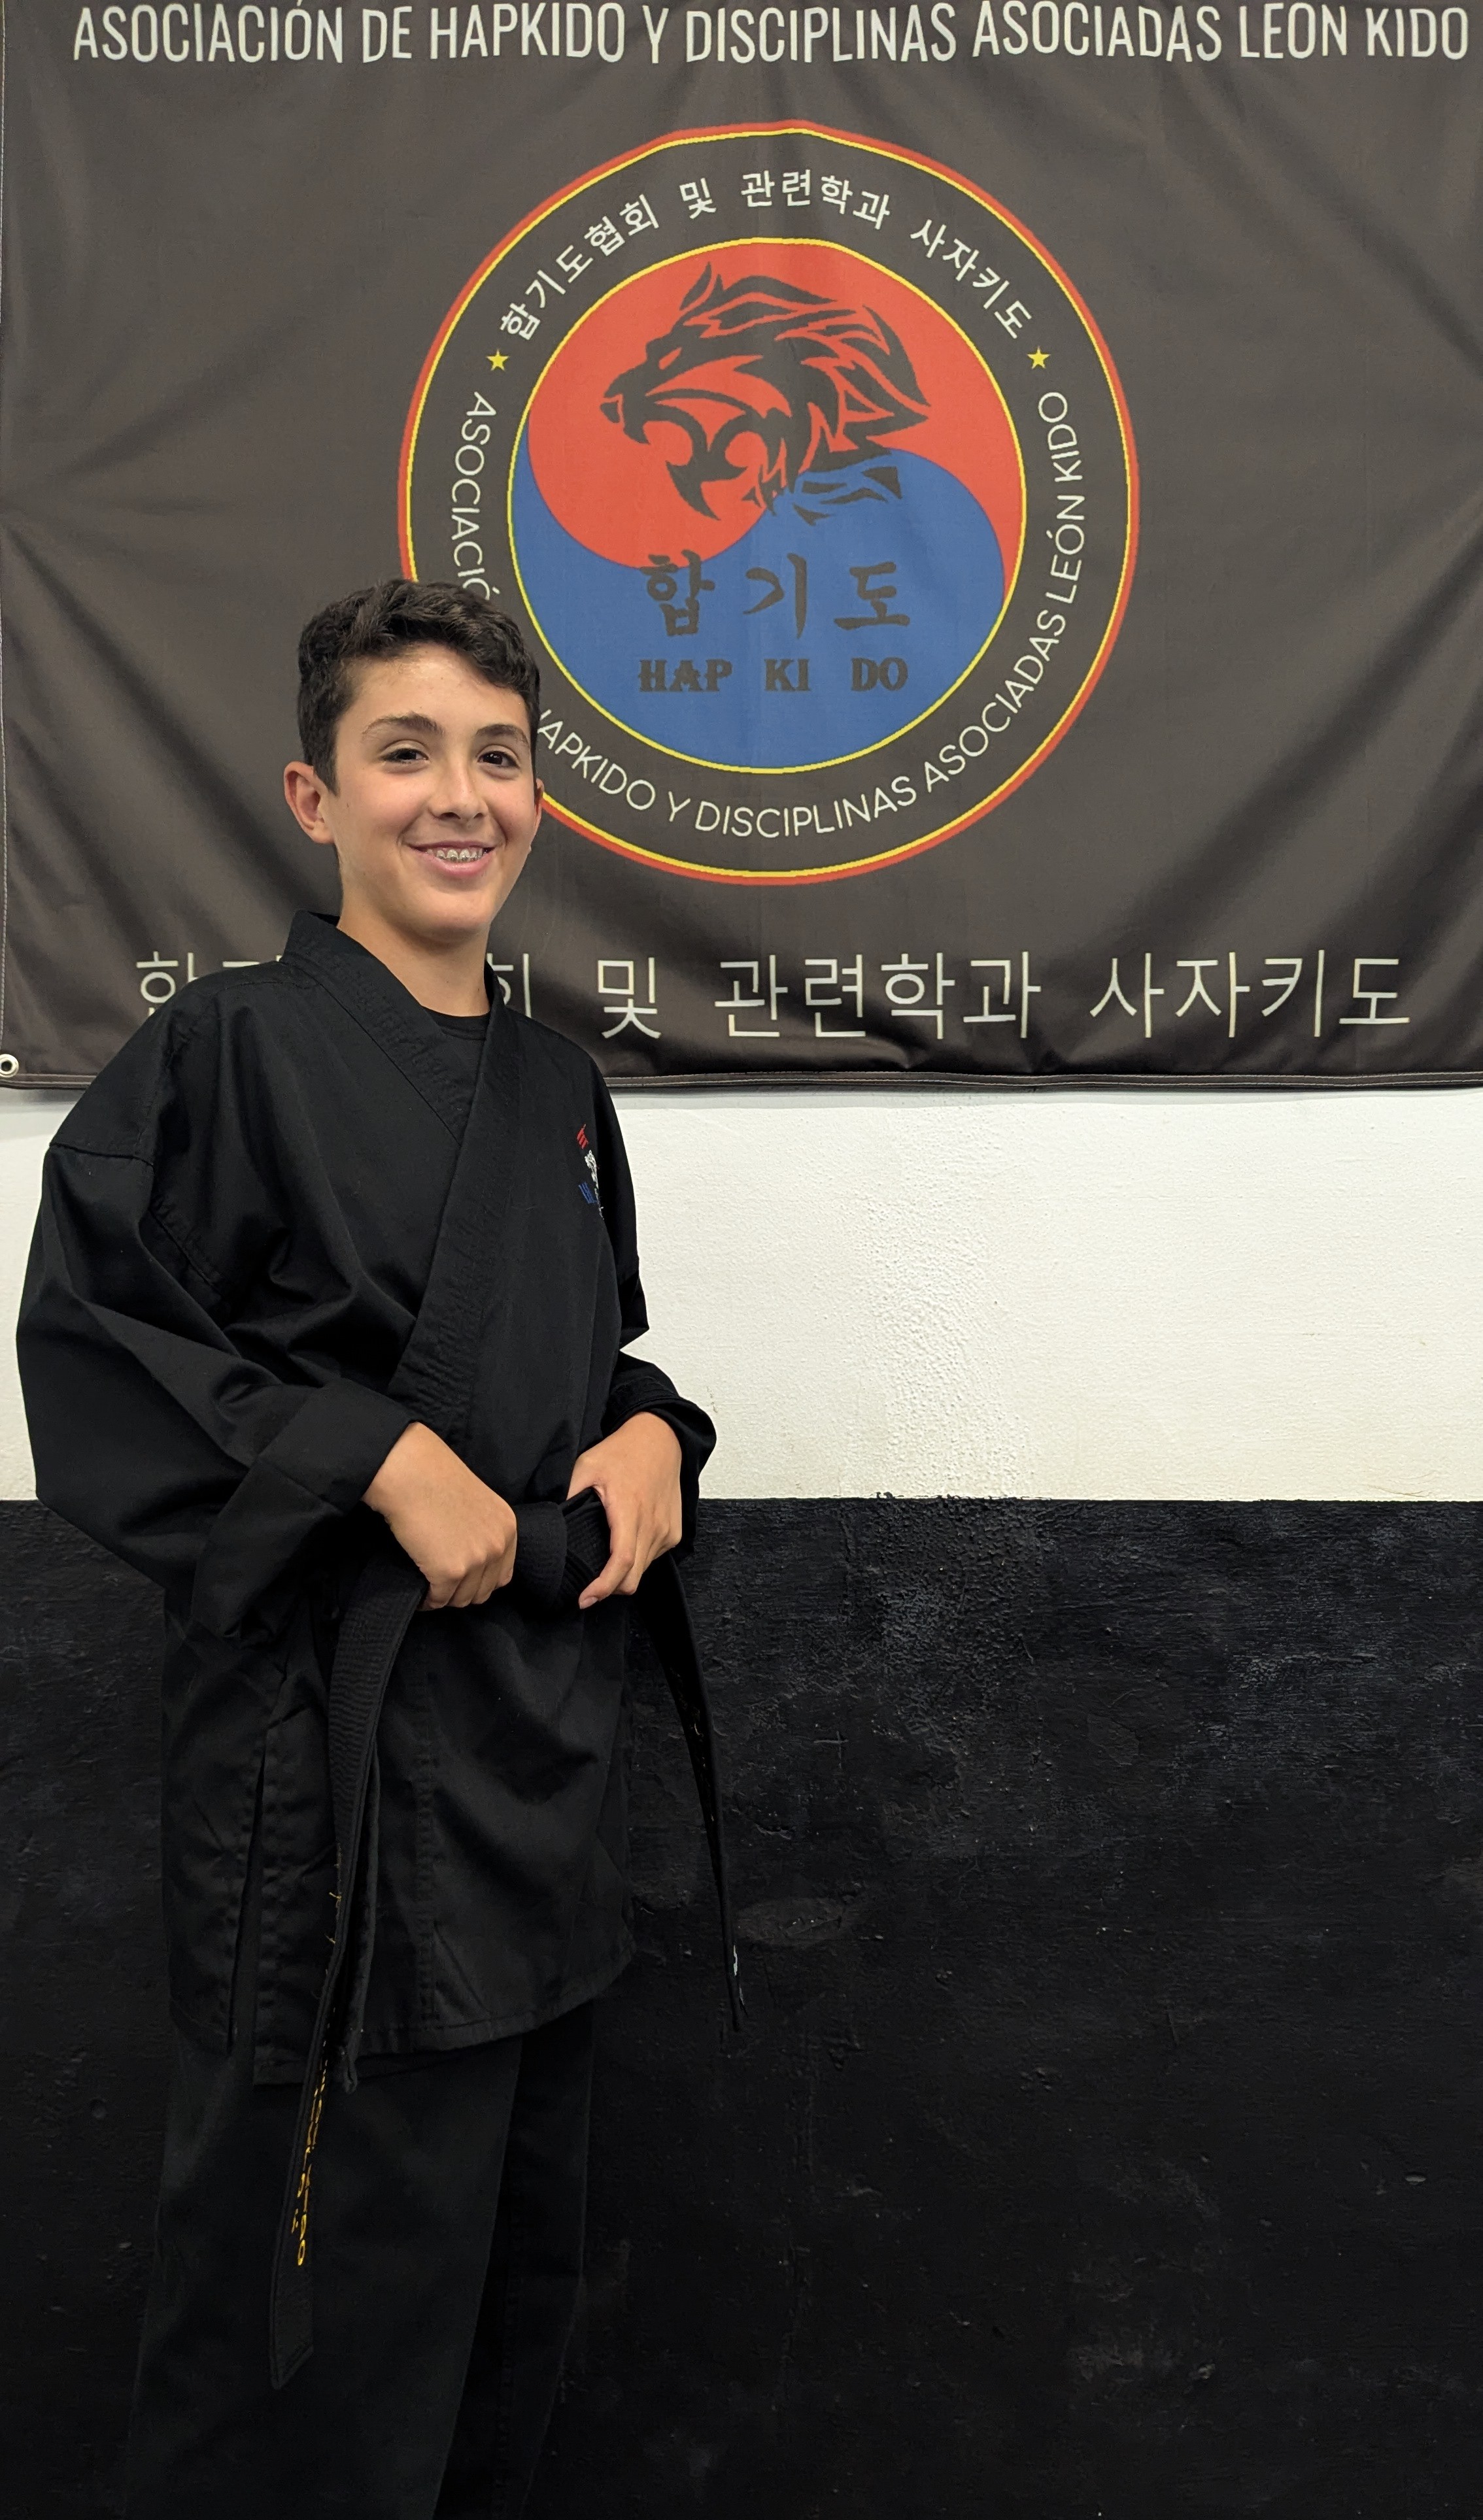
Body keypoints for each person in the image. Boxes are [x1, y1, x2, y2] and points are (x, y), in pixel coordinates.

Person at [17, 579, 728, 2519]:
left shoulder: (558, 1092)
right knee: (305, 2337)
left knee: (504, 2306)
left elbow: (571, 1363)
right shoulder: (224, 1054)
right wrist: (367, 1456)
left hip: (537, 1776)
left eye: (497, 757)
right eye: (404, 753)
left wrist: (655, 1432)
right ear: (313, 796)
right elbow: (99, 1349)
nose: (459, 797)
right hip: (327, 1798)